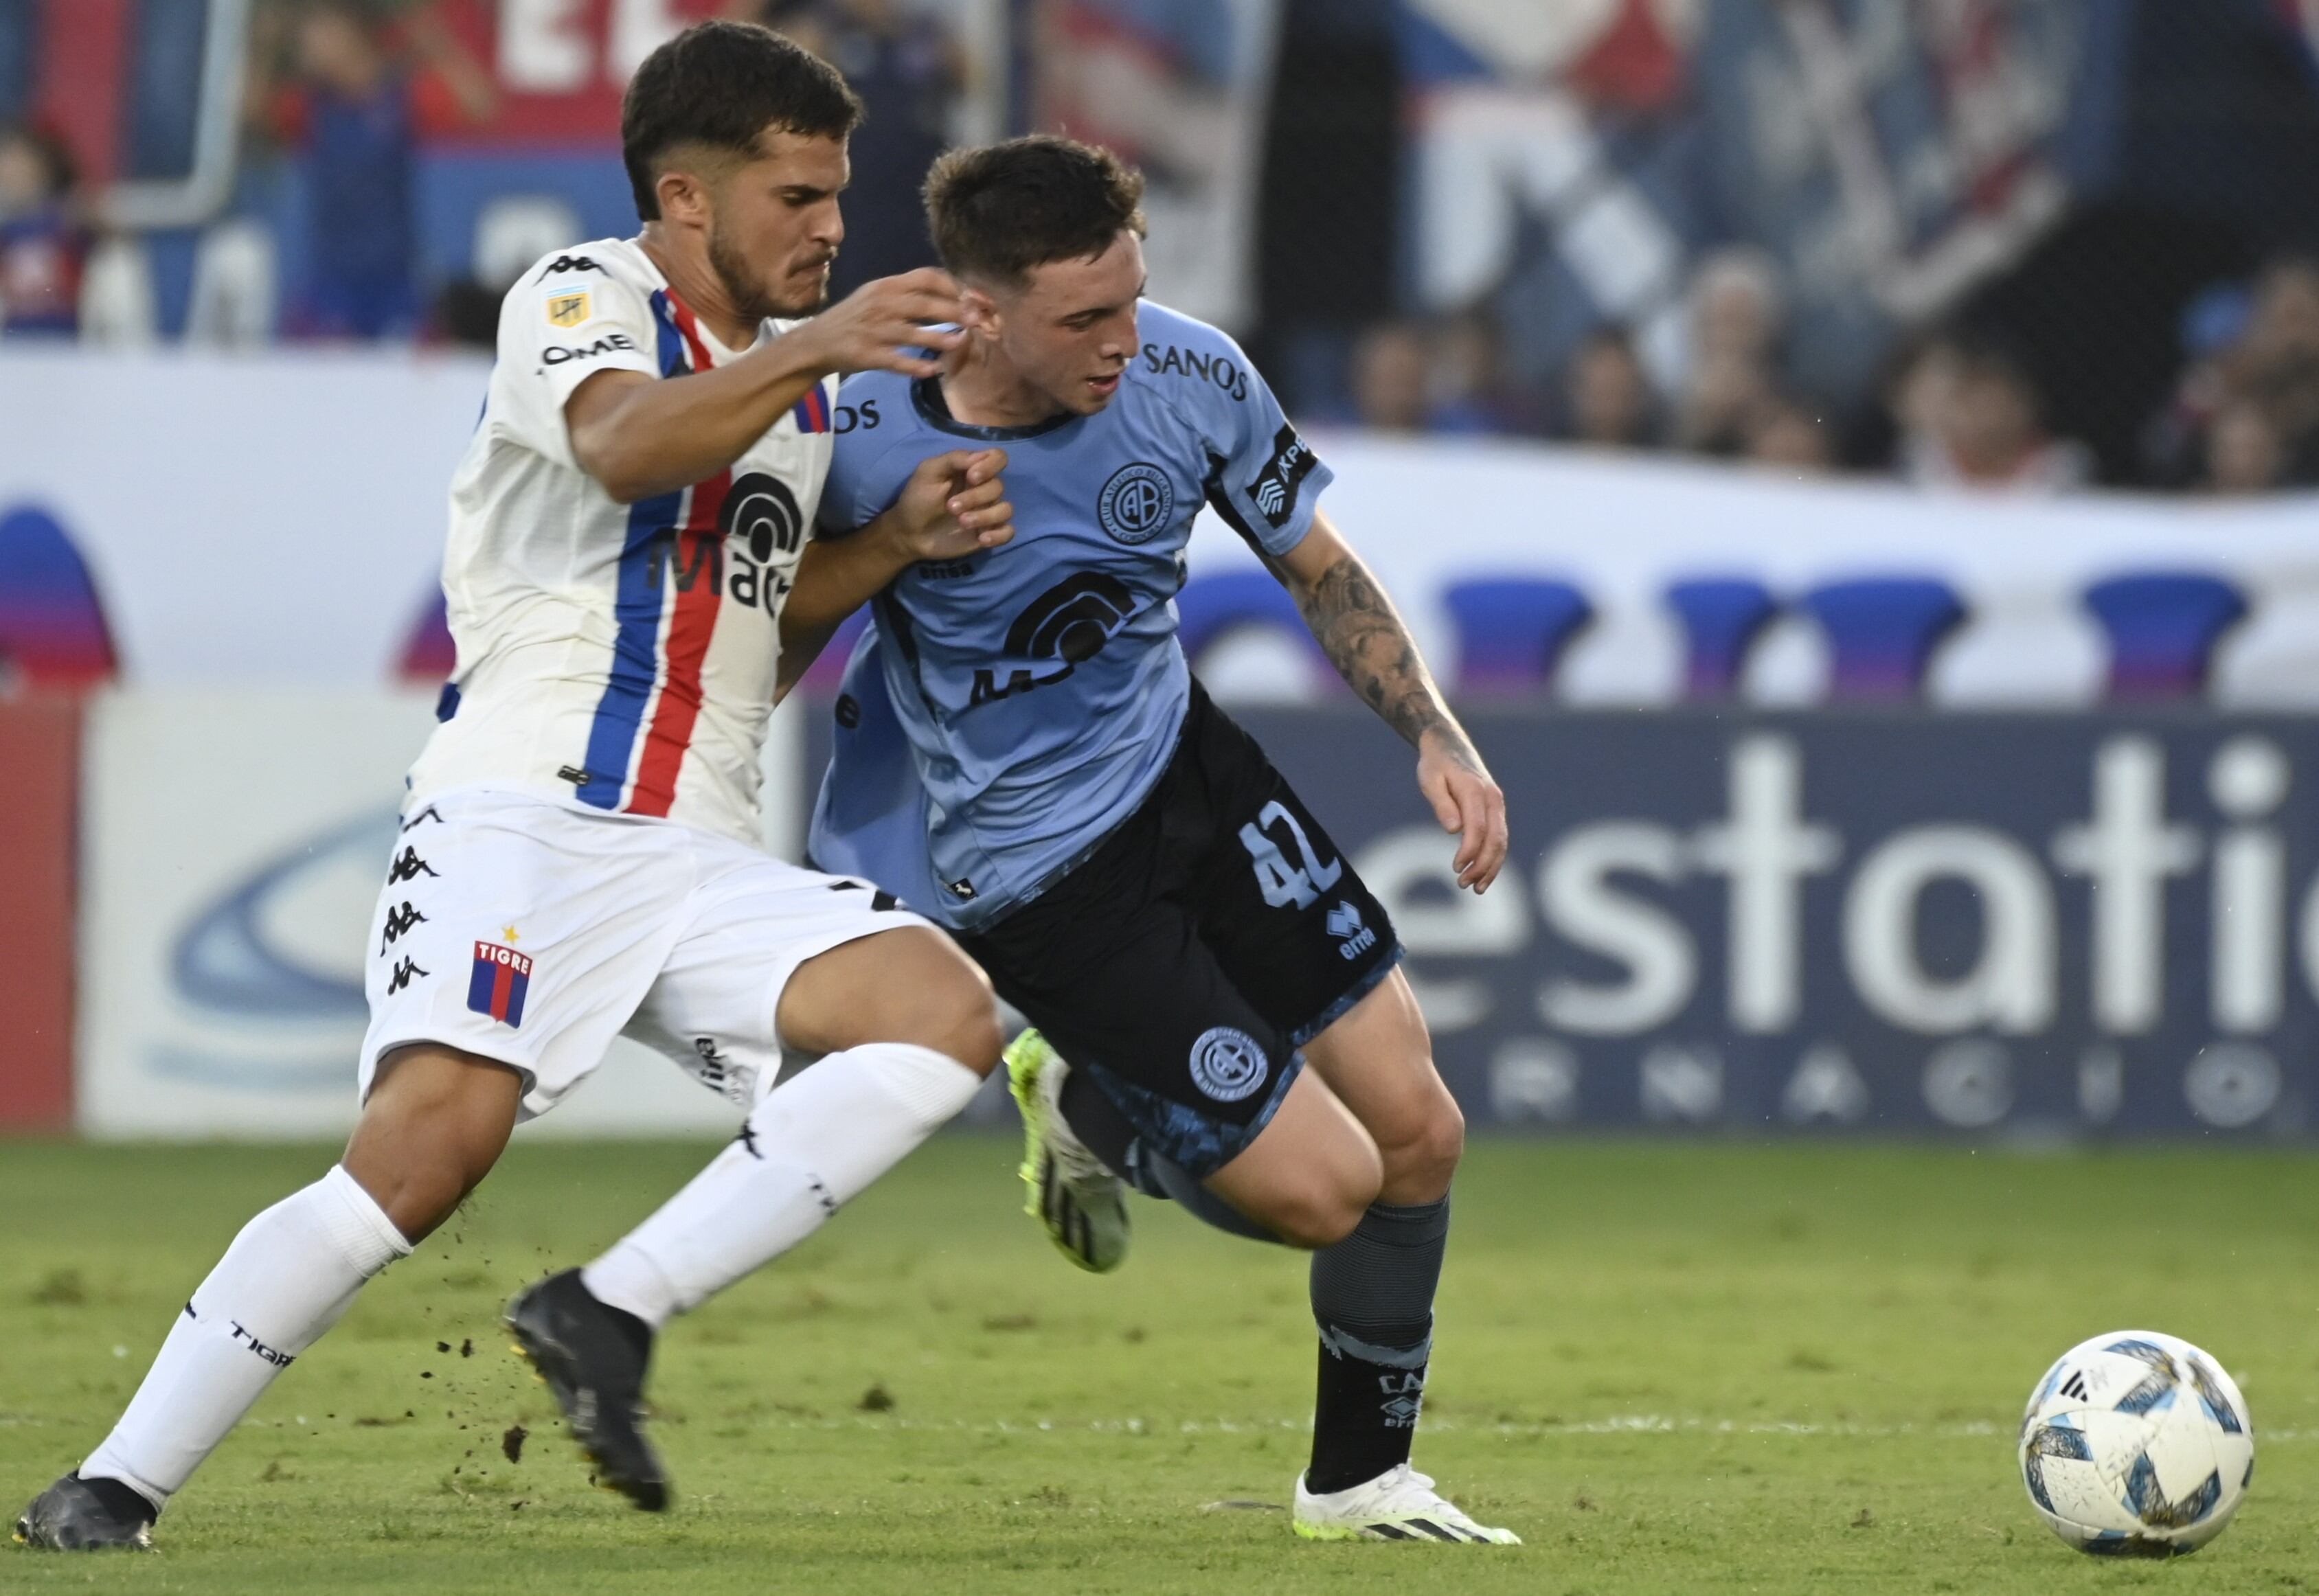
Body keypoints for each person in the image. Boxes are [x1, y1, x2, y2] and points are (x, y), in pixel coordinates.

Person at [16, 21, 1018, 1551]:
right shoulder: (581, 295)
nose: (829, 227)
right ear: (686, 200)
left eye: (835, 196)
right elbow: (620, 449)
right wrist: (816, 347)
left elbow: (751, 627)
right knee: (422, 1153)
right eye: (795, 198)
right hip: (531, 809)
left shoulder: (792, 397)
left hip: (693, 840)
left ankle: (605, 1309)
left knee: (940, 1012)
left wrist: (884, 553)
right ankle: (112, 1485)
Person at [783, 135, 1518, 1544]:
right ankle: (1092, 1103)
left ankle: (1358, 1481)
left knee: (1419, 1131)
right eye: (1085, 320)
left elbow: (1317, 565)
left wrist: (1432, 729)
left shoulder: (1186, 373)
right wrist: (886, 555)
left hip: (1192, 775)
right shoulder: (858, 429)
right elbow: (761, 653)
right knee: (1325, 1190)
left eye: (1130, 299)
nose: (1124, 340)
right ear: (980, 312)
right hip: (1037, 876)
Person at [0, 121, 87, 337]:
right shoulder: (6, 230)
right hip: (12, 344)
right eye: (6, 163)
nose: (11, 172)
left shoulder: (68, 219)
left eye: (20, 162)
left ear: (43, 168)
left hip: (63, 342)